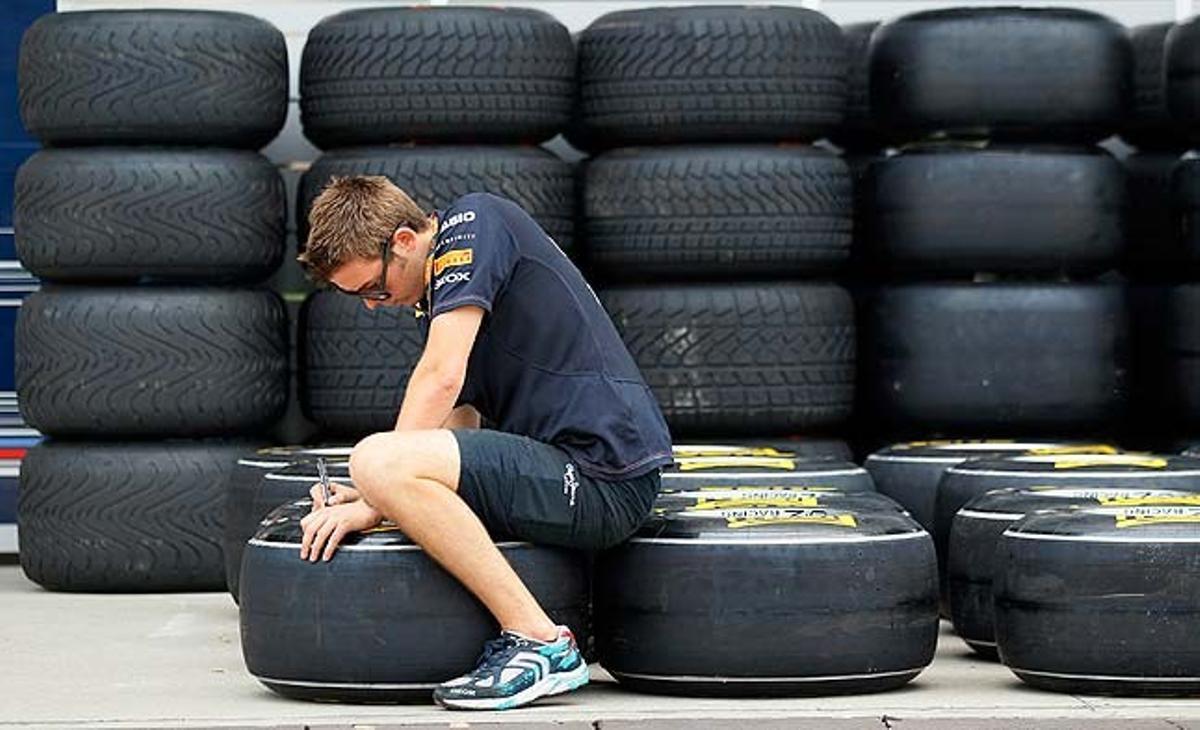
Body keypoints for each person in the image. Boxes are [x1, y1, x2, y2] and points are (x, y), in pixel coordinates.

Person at [294, 177, 673, 710]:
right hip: (564, 469)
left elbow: (441, 377)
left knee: (373, 457)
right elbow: (460, 421)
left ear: (404, 240)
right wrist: (374, 502)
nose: (374, 307)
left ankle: (540, 642)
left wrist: (375, 490)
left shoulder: (475, 223)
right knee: (383, 471)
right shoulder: (444, 295)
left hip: (602, 474)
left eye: (374, 290)